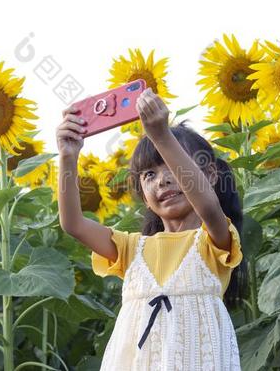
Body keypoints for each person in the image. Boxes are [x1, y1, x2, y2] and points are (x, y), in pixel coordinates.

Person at [56, 87, 244, 370]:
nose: (162, 180)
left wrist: (161, 135)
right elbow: (73, 224)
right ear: (143, 196)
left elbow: (208, 207)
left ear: (208, 175)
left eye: (171, 166)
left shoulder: (213, 241)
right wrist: (68, 157)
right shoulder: (132, 249)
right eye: (149, 174)